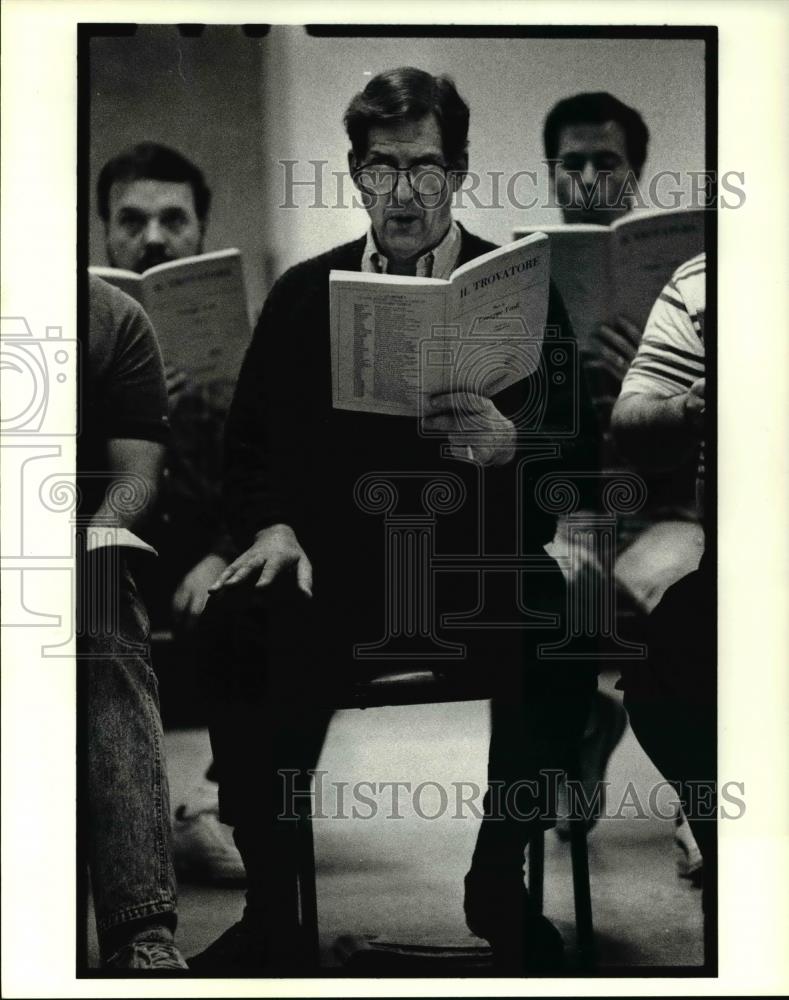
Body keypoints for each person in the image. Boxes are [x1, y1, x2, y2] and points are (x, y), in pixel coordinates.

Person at [190, 66, 600, 976]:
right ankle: (269, 903)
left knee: (567, 619)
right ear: (354, 173)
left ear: (455, 173)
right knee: (240, 617)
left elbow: (573, 466)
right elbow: (249, 451)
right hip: (336, 572)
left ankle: (499, 878)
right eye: (382, 169)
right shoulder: (304, 294)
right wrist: (272, 528)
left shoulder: (522, 291)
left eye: (424, 168)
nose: (403, 191)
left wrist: (514, 443)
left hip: (471, 569)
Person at [542, 93, 704, 877]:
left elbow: (687, 451)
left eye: (605, 162)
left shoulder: (673, 288)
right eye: (569, 163)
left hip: (661, 509)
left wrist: (645, 370)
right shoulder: (520, 285)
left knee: (676, 587)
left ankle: (697, 793)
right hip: (570, 514)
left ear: (633, 174)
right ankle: (581, 723)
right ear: (549, 176)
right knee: (555, 587)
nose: (586, 178)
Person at [96, 142, 244, 883]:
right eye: (131, 220)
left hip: (196, 547)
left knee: (271, 591)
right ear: (103, 234)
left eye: (172, 220)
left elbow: (266, 478)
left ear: (201, 234)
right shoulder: (79, 332)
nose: (152, 237)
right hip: (105, 540)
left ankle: (220, 805)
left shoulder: (242, 347)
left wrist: (222, 551)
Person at [79, 274, 187, 969]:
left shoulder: (111, 317)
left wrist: (96, 537)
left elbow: (135, 471)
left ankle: (139, 931)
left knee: (99, 616)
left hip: (60, 542)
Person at [610, 252, 714, 964]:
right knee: (665, 659)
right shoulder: (703, 278)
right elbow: (632, 418)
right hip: (729, 546)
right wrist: (688, 404)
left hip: (669, 520)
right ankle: (723, 837)